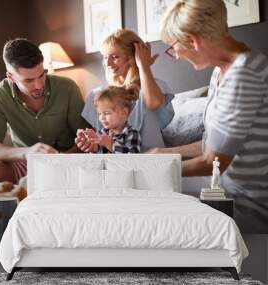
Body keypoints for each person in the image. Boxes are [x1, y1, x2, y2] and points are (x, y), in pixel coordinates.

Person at [152, 0, 268, 232]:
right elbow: (212, 144)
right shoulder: (221, 70)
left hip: (248, 203)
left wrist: (153, 168)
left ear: (193, 41)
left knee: (157, 212)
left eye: (173, 47)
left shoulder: (245, 73)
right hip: (223, 186)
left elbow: (213, 162)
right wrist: (163, 153)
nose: (175, 54)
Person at [0, 38, 90, 183]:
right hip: (26, 163)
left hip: (67, 159)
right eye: (29, 80)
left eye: (41, 75)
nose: (39, 85)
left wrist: (62, 158)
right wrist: (27, 152)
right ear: (11, 77)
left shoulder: (67, 88)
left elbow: (87, 137)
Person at [77, 29, 175, 152]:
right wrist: (92, 145)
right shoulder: (97, 96)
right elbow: (102, 140)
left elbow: (153, 103)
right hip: (112, 164)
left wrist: (143, 66)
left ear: (133, 58)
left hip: (150, 161)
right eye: (105, 57)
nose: (107, 63)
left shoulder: (153, 87)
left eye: (114, 57)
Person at [78, 86, 140, 153]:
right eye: (100, 113)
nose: (102, 117)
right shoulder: (101, 133)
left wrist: (111, 145)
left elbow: (133, 158)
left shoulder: (131, 134)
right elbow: (99, 157)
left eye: (106, 113)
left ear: (124, 112)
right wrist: (94, 147)